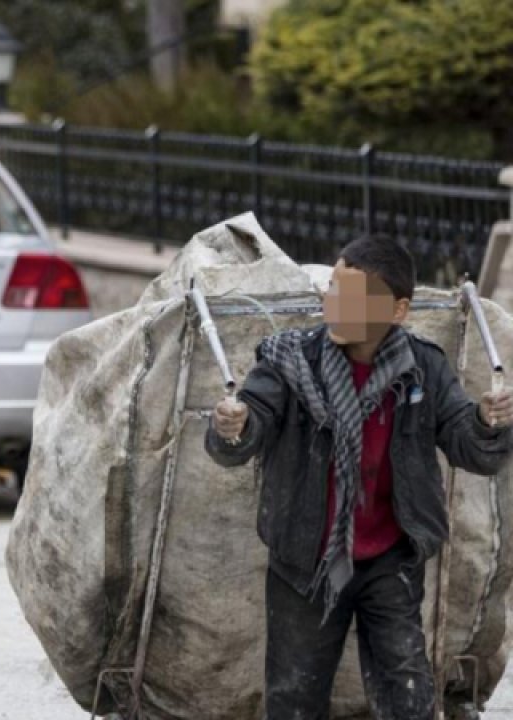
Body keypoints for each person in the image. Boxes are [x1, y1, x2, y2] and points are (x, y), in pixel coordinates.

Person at [204, 235, 513, 719]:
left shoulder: (423, 368)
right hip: (304, 562)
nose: (334, 305)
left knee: (408, 697)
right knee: (294, 700)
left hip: (390, 560)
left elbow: (468, 444)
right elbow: (250, 425)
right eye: (333, 291)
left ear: (398, 310)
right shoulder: (287, 361)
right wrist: (233, 428)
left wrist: (488, 423)